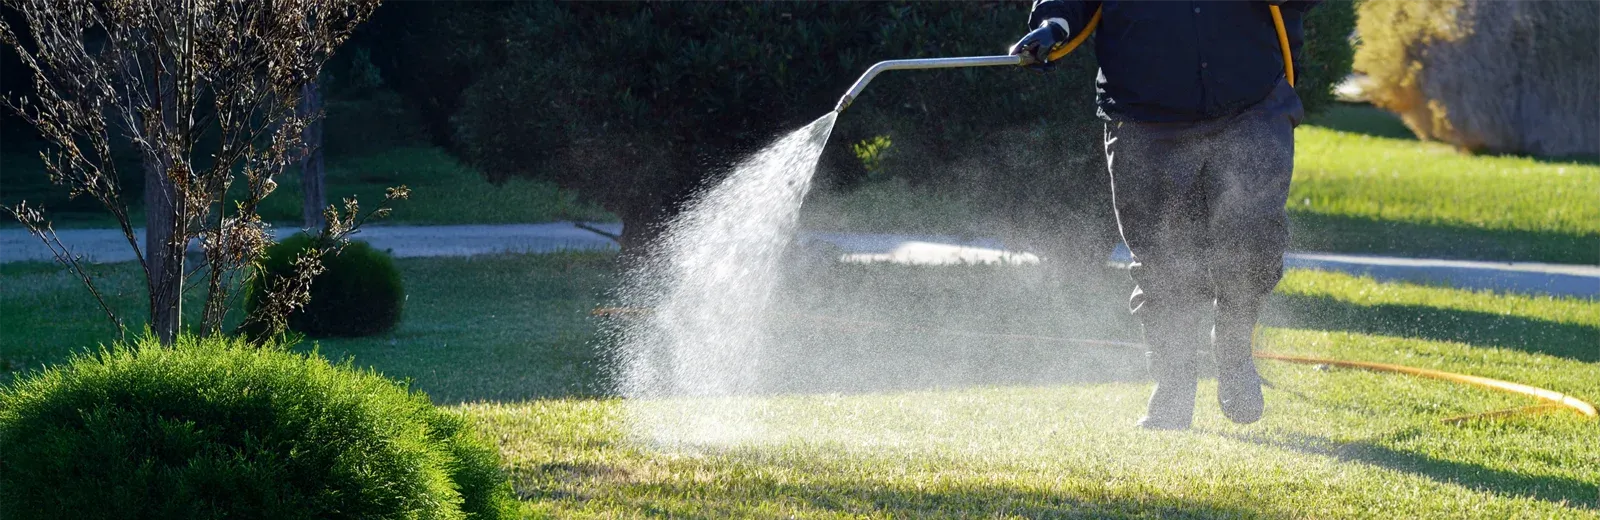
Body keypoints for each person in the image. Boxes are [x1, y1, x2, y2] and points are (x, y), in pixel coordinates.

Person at [1009, 0, 1322, 430]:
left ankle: (1233, 353)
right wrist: (1053, 24)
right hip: (1145, 118)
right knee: (1162, 262)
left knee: (1254, 239)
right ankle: (1173, 388)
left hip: (1251, 103)